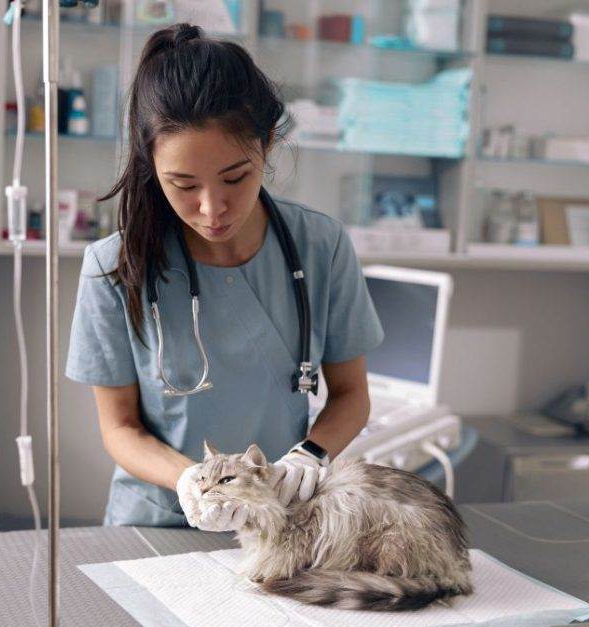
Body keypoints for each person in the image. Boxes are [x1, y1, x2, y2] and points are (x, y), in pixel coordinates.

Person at [66, 23, 384, 530]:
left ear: (270, 142)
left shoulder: (321, 248)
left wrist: (310, 456)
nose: (212, 208)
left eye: (236, 177)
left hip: (279, 523)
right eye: (183, 184)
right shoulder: (114, 268)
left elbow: (351, 394)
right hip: (156, 523)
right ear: (151, 164)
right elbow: (120, 427)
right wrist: (190, 480)